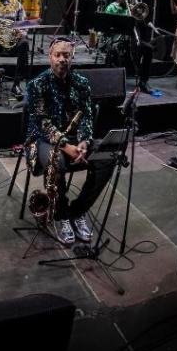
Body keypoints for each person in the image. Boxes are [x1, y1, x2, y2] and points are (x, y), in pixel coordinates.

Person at [24, 38, 114, 246]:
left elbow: (87, 116)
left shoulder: (81, 83)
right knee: (56, 162)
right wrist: (66, 146)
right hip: (43, 140)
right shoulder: (37, 84)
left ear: (72, 58)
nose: (62, 59)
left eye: (66, 55)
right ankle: (61, 214)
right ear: (50, 57)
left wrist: (84, 142)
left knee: (107, 159)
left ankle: (78, 211)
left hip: (75, 140)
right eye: (58, 55)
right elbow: (42, 123)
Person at [104, 0, 154, 93]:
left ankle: (143, 82)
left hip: (132, 40)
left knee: (148, 49)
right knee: (116, 50)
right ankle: (115, 82)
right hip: (116, 39)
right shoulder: (111, 7)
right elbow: (107, 27)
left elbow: (141, 23)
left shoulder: (131, 8)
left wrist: (135, 14)